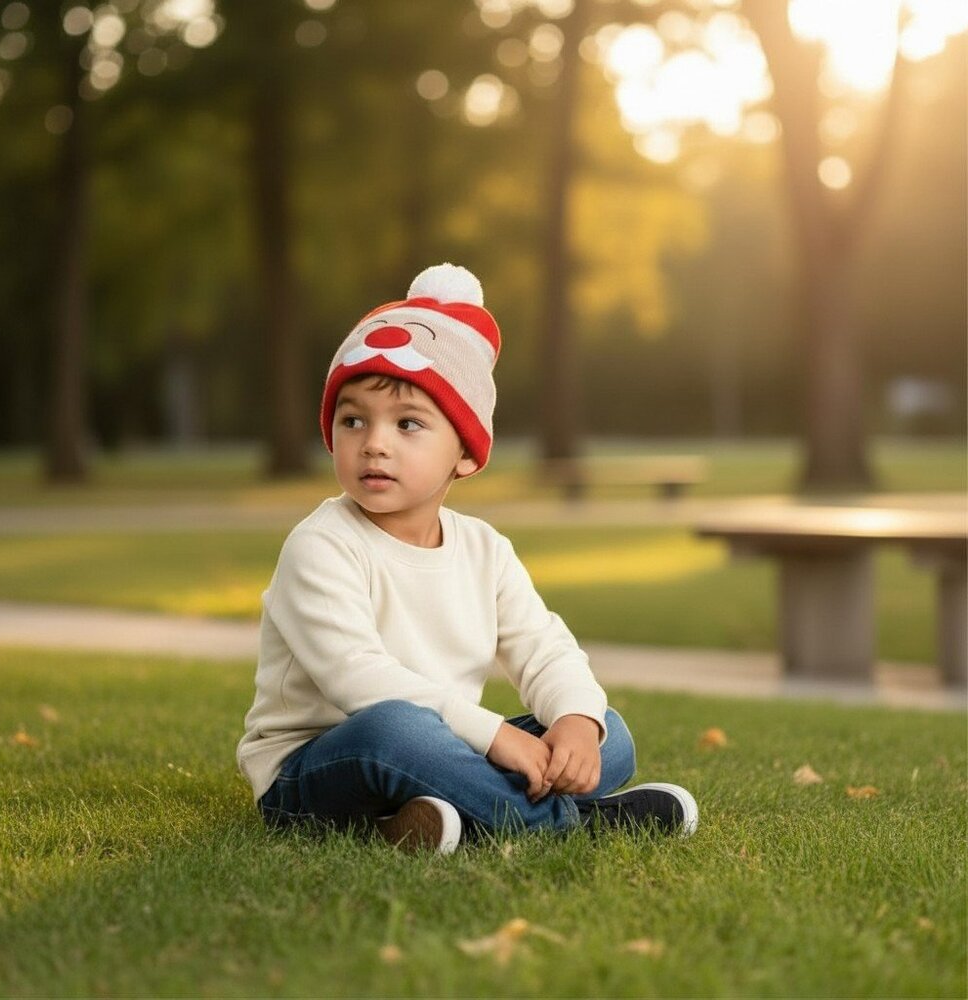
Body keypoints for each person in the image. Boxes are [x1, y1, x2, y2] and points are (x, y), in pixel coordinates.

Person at [237, 263, 698, 853]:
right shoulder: (320, 545)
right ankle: (579, 823)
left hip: (444, 746)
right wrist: (497, 738)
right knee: (397, 729)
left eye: (408, 424)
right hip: (318, 765)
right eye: (353, 420)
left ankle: (432, 816)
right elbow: (359, 680)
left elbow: (542, 646)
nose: (374, 442)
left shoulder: (485, 550)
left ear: (466, 453)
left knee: (611, 737)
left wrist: (576, 721)